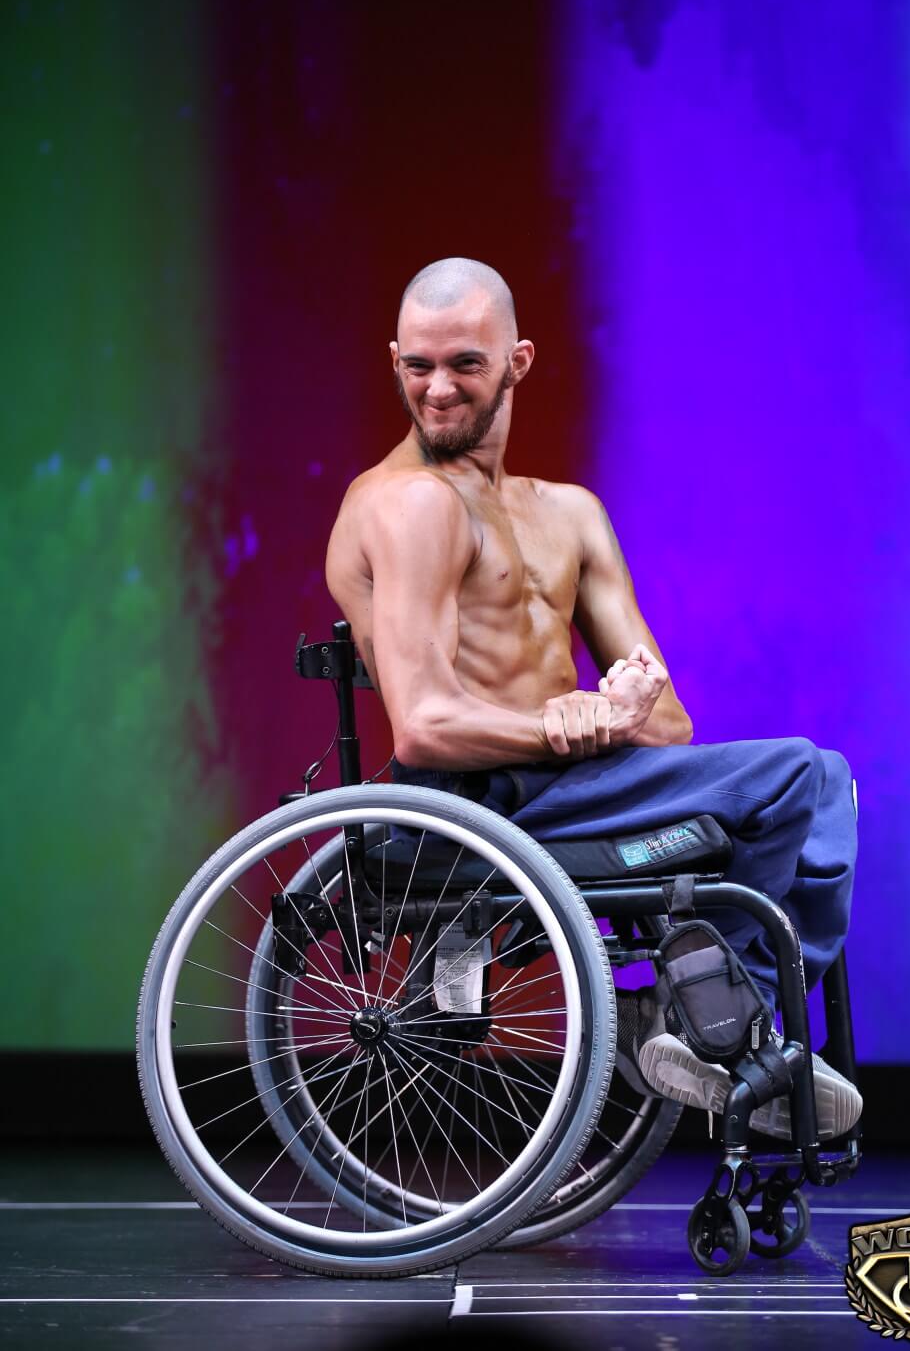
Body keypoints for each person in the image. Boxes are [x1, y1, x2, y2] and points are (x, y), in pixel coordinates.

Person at [325, 256, 861, 1139]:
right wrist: (561, 724)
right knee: (801, 776)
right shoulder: (410, 504)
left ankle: (707, 1019)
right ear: (395, 361)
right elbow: (422, 727)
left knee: (824, 783)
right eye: (417, 367)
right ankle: (728, 1028)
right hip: (479, 805)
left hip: (575, 790)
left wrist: (615, 710)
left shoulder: (569, 514)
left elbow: (670, 724)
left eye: (465, 364)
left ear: (518, 362)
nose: (439, 390)